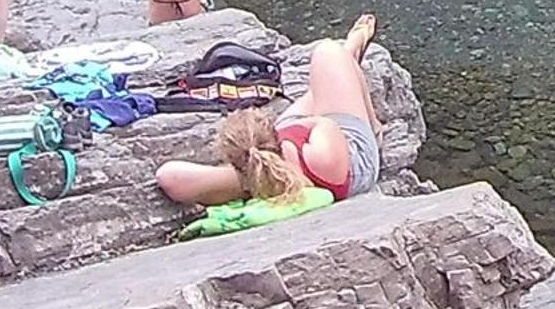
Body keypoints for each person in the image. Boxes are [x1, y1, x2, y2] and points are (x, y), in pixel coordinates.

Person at [156, 14, 384, 205]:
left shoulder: (246, 178)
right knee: (327, 52)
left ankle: (347, 57)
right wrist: (293, 131)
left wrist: (244, 168)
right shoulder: (317, 154)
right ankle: (350, 55)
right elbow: (327, 122)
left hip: (280, 162)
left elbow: (169, 176)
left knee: (323, 88)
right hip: (351, 167)